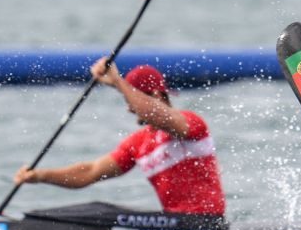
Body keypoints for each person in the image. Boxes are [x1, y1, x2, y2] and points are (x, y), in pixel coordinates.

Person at [14, 57, 226, 219]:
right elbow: (90, 172)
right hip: (174, 223)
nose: (129, 108)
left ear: (156, 96)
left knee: (103, 213)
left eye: (131, 98)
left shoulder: (191, 124)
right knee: (98, 210)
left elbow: (150, 113)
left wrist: (117, 81)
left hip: (206, 222)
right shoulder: (139, 143)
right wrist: (41, 176)